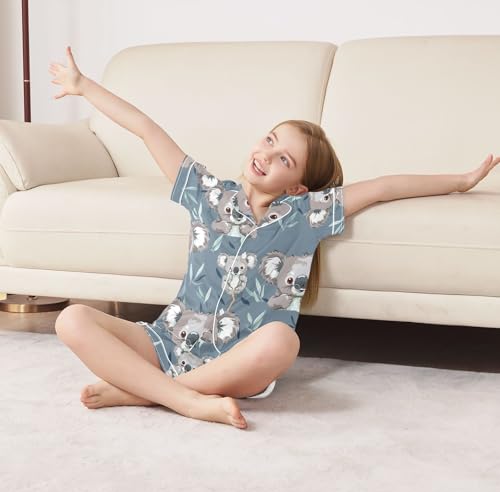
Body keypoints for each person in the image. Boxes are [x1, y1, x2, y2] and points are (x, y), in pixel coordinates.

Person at [49, 46, 499, 430]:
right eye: (269, 140)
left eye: (284, 159)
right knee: (71, 320)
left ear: (298, 187)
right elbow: (147, 129)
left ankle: (147, 393)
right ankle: (182, 398)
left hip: (240, 362)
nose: (266, 154)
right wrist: (84, 86)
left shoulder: (307, 215)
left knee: (284, 341)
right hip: (168, 342)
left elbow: (384, 187)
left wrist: (461, 181)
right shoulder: (207, 193)